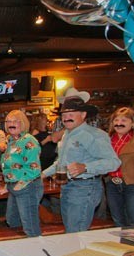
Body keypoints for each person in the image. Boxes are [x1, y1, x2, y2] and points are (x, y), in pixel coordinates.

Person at [42, 89, 121, 233]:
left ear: (83, 115)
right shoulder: (67, 134)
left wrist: (85, 167)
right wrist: (42, 174)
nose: (66, 118)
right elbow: (61, 163)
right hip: (68, 187)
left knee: (76, 232)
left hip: (85, 187)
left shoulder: (95, 135)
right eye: (64, 115)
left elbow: (113, 162)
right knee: (71, 230)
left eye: (71, 114)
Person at [0, 110, 43, 237]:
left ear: (22, 123)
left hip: (28, 186)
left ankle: (37, 253)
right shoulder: (11, 141)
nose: (11, 124)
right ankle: (21, 250)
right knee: (12, 221)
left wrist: (19, 184)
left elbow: (34, 168)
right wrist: (8, 185)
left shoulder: (28, 140)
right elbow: (12, 166)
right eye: (9, 121)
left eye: (15, 121)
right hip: (14, 187)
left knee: (30, 226)